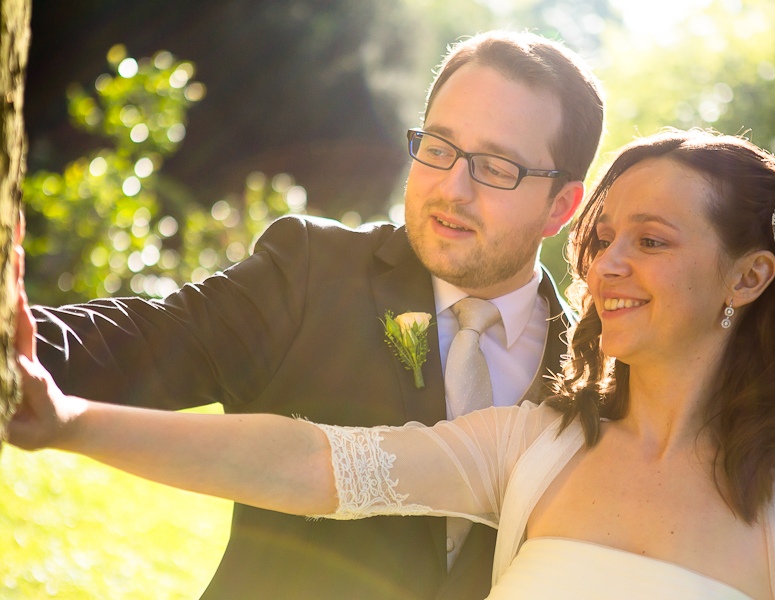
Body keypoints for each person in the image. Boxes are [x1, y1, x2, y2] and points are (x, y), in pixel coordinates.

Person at [12, 128, 775, 598]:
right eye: (603, 237)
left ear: (749, 275)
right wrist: (70, 421)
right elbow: (308, 462)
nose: (605, 266)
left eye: (652, 241)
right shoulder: (531, 447)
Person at [26, 30, 604, 600]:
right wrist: (14, 343)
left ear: (561, 205)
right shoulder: (311, 271)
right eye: (438, 148)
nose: (452, 188)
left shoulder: (598, 376)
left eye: (497, 167)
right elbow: (145, 340)